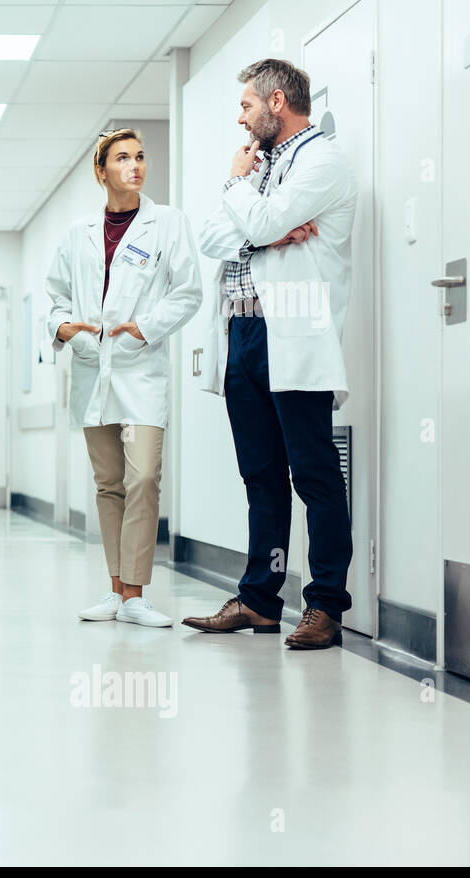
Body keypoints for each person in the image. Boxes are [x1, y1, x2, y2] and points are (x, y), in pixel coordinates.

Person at [181, 58, 356, 650]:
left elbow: (263, 219)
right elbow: (211, 236)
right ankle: (260, 599)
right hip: (242, 336)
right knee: (260, 476)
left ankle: (326, 605)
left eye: (247, 106)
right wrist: (260, 223)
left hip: (296, 332)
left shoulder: (324, 160)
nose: (241, 116)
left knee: (314, 473)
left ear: (277, 101)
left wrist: (246, 201)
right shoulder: (260, 165)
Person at [45, 129, 202, 627]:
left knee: (144, 477)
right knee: (109, 483)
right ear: (101, 171)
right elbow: (55, 298)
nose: (134, 166)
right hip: (94, 371)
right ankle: (116, 590)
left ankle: (135, 593)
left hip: (142, 371)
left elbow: (188, 290)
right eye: (122, 158)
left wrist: (147, 328)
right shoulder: (78, 233)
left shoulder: (168, 224)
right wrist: (65, 328)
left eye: (139, 157)